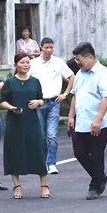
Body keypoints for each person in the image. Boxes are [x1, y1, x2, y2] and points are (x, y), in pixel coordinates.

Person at [0, 52, 49, 199]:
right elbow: (2, 101)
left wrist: (38, 102)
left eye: (27, 62)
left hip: (32, 122)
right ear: (16, 65)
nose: (25, 65)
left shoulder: (35, 81)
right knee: (15, 152)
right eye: (22, 62)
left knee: (38, 151)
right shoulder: (10, 82)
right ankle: (17, 186)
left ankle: (44, 185)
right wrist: (12, 108)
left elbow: (41, 99)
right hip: (15, 122)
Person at [68, 42, 107, 199]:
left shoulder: (103, 73)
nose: (77, 63)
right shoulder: (80, 73)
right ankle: (100, 176)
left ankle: (95, 186)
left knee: (96, 154)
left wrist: (98, 119)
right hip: (81, 122)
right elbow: (75, 95)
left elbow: (106, 97)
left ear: (89, 57)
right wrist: (71, 116)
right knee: (79, 153)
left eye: (79, 59)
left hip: (98, 122)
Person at [30, 37, 74, 174]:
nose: (49, 50)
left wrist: (65, 93)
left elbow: (72, 76)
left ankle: (51, 163)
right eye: (46, 47)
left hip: (54, 102)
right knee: (41, 135)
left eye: (51, 47)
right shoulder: (33, 63)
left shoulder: (59, 62)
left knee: (52, 135)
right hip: (39, 102)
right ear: (41, 48)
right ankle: (43, 163)